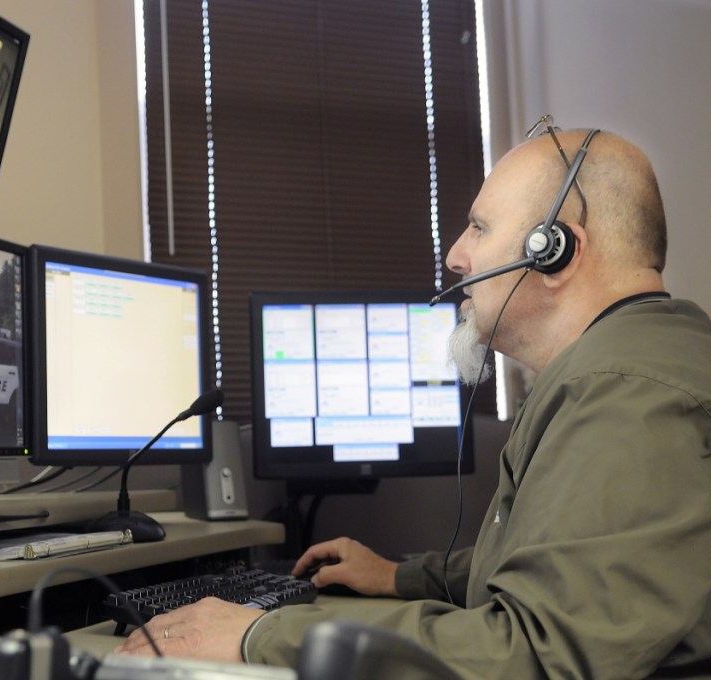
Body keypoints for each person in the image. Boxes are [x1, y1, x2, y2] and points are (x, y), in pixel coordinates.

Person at [114, 123, 711, 678]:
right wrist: (397, 575)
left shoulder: (622, 392)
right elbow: (554, 568)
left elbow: (538, 652)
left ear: (554, 250)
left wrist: (263, 635)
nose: (455, 254)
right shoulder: (631, 363)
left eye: (478, 227)